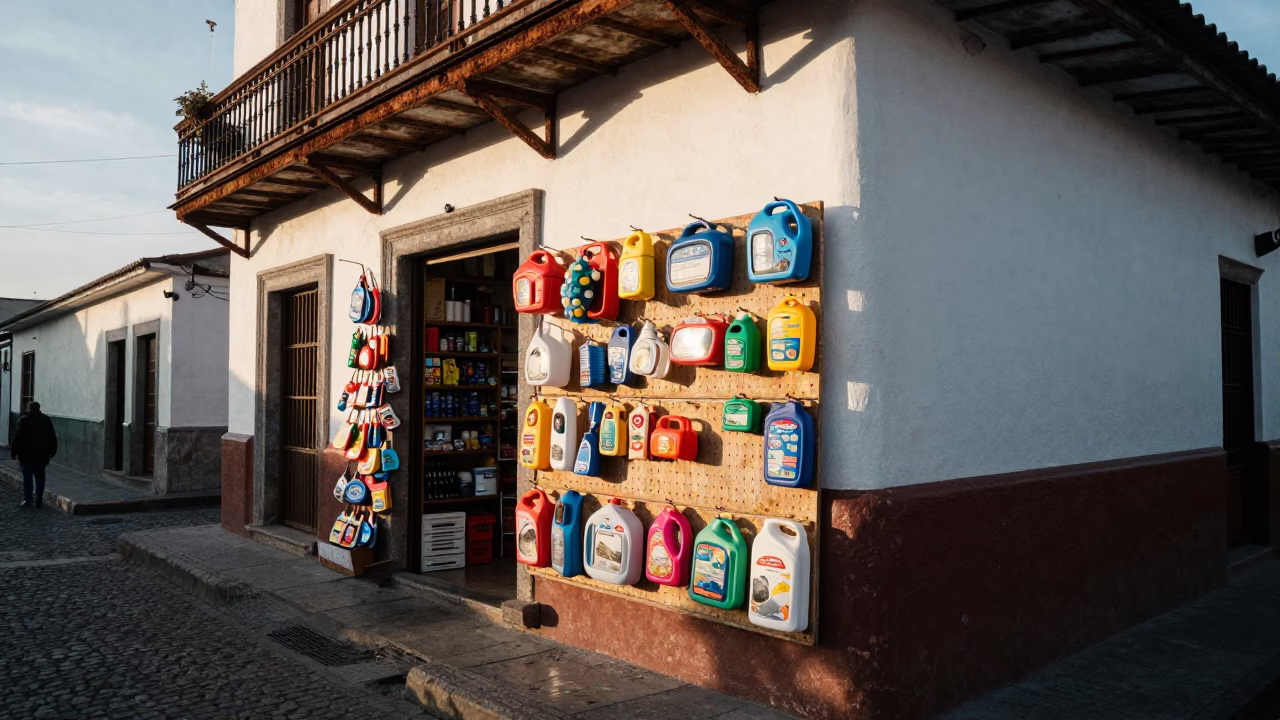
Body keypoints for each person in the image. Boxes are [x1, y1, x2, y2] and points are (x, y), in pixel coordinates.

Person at [11, 401, 57, 508]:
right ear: (39, 408)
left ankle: (28, 500)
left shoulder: (23, 420)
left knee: (27, 479)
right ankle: (39, 499)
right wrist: (52, 452)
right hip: (42, 455)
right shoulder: (46, 419)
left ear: (28, 409)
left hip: (26, 456)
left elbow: (16, 438)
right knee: (40, 478)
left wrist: (14, 452)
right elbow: (52, 437)